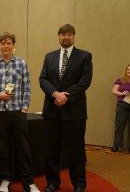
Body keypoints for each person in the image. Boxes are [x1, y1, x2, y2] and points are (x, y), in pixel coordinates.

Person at [0, 32, 40, 192]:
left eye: (9, 43)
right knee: (2, 149)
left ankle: (28, 182)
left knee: (24, 148)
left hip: (17, 112)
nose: (6, 46)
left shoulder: (22, 64)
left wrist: (24, 107)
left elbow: (27, 87)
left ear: (13, 45)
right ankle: (6, 179)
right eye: (2, 43)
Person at [39, 24, 93, 192]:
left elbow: (85, 81)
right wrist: (55, 94)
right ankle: (52, 183)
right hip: (52, 111)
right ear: (59, 36)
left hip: (74, 112)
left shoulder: (84, 56)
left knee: (75, 151)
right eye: (62, 34)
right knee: (51, 150)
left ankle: (79, 184)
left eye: (69, 34)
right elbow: (43, 79)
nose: (65, 37)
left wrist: (65, 96)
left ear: (73, 36)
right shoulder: (50, 57)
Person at [111, 64, 130, 153]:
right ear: (126, 70)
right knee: (119, 125)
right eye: (128, 69)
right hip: (122, 105)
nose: (129, 71)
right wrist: (122, 93)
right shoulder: (121, 80)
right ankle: (116, 145)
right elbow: (114, 91)